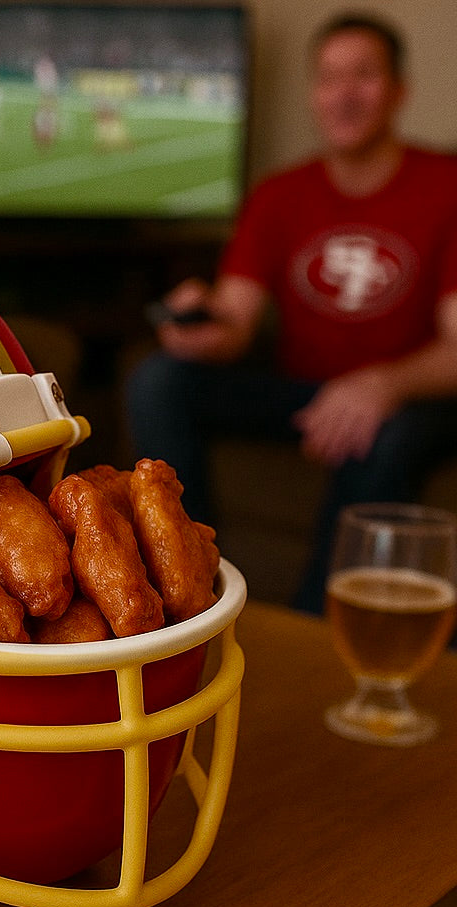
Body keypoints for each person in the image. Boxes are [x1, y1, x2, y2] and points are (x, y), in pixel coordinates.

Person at [125, 13, 457, 614]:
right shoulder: (280, 194)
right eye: (329, 77)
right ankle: (192, 588)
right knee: (157, 378)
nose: (344, 94)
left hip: (410, 398)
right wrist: (197, 322)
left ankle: (312, 623)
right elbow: (235, 324)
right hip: (301, 393)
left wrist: (381, 384)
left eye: (364, 75)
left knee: (388, 430)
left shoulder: (446, 185)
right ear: (314, 94)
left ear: (398, 91)